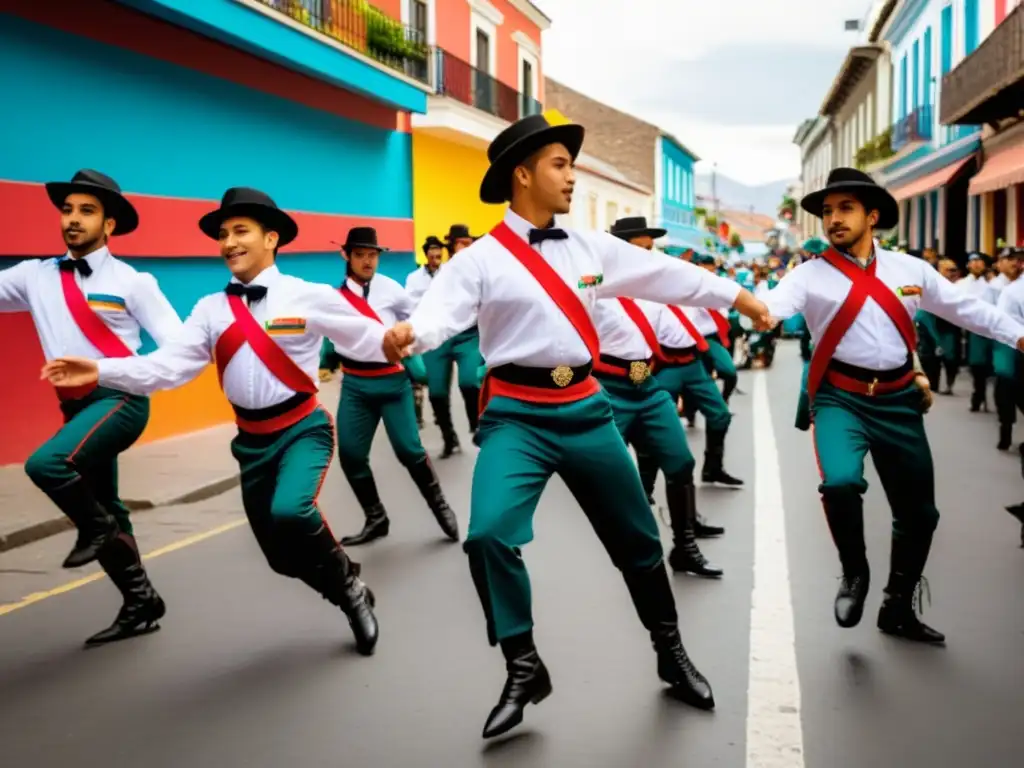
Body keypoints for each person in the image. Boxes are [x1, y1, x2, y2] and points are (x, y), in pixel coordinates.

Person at [384, 114, 770, 738]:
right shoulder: (478, 260)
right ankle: (523, 663)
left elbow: (668, 276)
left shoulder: (592, 247)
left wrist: (737, 296)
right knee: (487, 536)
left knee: (639, 542)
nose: (570, 176)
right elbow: (439, 313)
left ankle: (670, 653)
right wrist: (411, 335)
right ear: (523, 174)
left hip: (588, 409)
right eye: (560, 165)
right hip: (517, 415)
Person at [42, 187, 389, 655]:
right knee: (281, 559)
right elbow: (168, 367)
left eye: (240, 231)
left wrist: (402, 339)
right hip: (252, 443)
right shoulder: (210, 309)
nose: (228, 243)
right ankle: (345, 587)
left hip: (303, 429)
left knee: (292, 510)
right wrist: (102, 369)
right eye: (223, 234)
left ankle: (349, 591)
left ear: (271, 238)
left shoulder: (308, 296)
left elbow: (368, 338)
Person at [764, 168, 1024, 645]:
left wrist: (1017, 334)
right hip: (840, 396)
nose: (833, 219)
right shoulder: (809, 274)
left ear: (873, 215)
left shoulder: (911, 271)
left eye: (845, 209)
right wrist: (734, 304)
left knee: (920, 514)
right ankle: (854, 572)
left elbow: (966, 310)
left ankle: (897, 606)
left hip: (899, 399)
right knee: (841, 482)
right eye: (827, 211)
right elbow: (772, 306)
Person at [1, 169, 183, 646]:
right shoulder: (34, 276)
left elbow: (178, 350)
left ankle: (97, 527)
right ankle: (140, 599)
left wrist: (115, 371)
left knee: (48, 464)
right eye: (67, 210)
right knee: (107, 504)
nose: (73, 219)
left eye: (87, 211)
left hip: (121, 400)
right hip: (77, 409)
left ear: (110, 225)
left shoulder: (134, 282)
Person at [593, 216, 722, 576]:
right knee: (612, 477)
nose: (650, 256)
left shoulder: (655, 290)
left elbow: (670, 336)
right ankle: (634, 548)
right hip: (608, 390)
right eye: (642, 248)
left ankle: (685, 547)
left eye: (652, 249)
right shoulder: (594, 287)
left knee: (680, 462)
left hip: (648, 389)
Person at [320, 227, 458, 547]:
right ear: (347, 256)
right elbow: (322, 331)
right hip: (355, 385)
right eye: (360, 255)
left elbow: (420, 318)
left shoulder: (391, 289)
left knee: (409, 450)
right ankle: (376, 517)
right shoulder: (333, 298)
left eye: (373, 255)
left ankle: (440, 506)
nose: (368, 261)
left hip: (393, 383)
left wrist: (409, 338)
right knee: (352, 456)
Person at [405, 236, 446, 435]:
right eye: (432, 250)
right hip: (421, 330)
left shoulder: (449, 274)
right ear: (426, 253)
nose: (436, 255)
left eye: (439, 250)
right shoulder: (414, 278)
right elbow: (410, 305)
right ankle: (418, 416)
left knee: (440, 380)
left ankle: (441, 414)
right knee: (418, 377)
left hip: (443, 332)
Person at [959, 252, 994, 412]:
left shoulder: (991, 285)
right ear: (968, 265)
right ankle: (978, 394)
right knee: (976, 365)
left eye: (980, 261)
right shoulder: (961, 284)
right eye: (973, 261)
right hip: (970, 329)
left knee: (986, 365)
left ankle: (981, 395)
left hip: (989, 329)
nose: (977, 264)